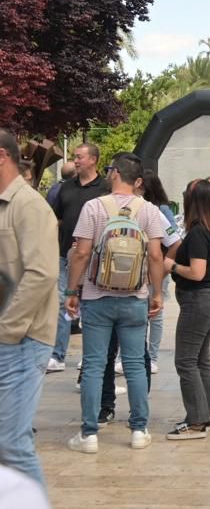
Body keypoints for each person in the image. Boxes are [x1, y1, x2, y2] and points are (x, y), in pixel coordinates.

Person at [65, 152, 166, 454]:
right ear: (137, 180)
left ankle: (89, 434)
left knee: (95, 365)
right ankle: (138, 429)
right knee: (135, 363)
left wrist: (72, 290)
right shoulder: (148, 210)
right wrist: (157, 293)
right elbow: (157, 255)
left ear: (112, 174)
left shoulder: (94, 207)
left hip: (97, 296)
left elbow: (82, 253)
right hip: (135, 297)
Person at [0, 129, 59, 487]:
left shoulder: (29, 205)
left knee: (12, 444)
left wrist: (7, 328)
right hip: (9, 338)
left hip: (22, 340)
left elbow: (42, 274)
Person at [165, 179, 210, 440]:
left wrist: (171, 266)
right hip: (208, 300)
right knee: (200, 360)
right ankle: (207, 410)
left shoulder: (199, 232)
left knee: (185, 361)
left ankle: (197, 420)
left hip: (198, 300)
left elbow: (197, 272)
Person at [48, 142, 108, 373]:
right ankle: (57, 355)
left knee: (92, 308)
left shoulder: (105, 188)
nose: (76, 160)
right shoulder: (66, 188)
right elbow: (58, 218)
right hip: (65, 256)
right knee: (62, 304)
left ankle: (89, 355)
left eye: (80, 156)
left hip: (94, 258)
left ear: (93, 160)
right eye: (75, 157)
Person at [141, 170, 179, 373]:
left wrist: (165, 265)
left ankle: (152, 356)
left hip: (157, 269)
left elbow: (174, 240)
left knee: (155, 313)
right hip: (141, 269)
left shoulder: (161, 210)